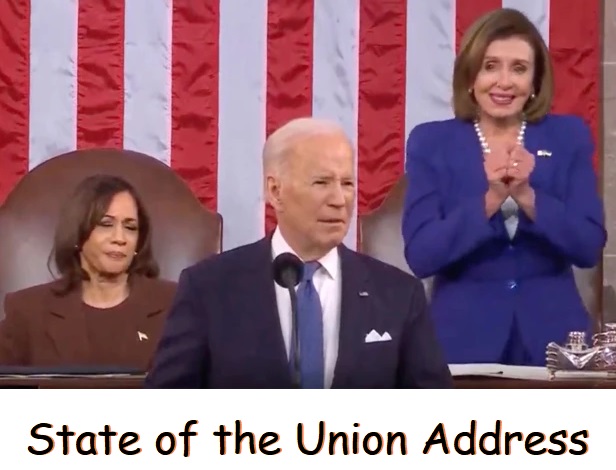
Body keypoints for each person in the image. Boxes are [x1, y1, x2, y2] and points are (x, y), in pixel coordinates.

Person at [145, 117, 452, 388]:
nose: (339, 200)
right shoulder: (208, 288)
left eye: (347, 183)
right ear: (275, 191)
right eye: (321, 182)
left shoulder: (399, 295)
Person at [401, 8, 606, 366]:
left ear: (535, 82)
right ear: (470, 76)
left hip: (554, 341)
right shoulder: (431, 143)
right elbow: (421, 256)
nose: (504, 82)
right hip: (461, 341)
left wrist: (528, 197)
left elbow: (588, 246)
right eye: (490, 66)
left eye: (519, 68)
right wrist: (492, 199)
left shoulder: (568, 136)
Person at [0, 174, 177, 368]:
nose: (120, 238)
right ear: (78, 233)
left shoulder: (176, 303)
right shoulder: (28, 311)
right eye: (106, 224)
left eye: (130, 227)